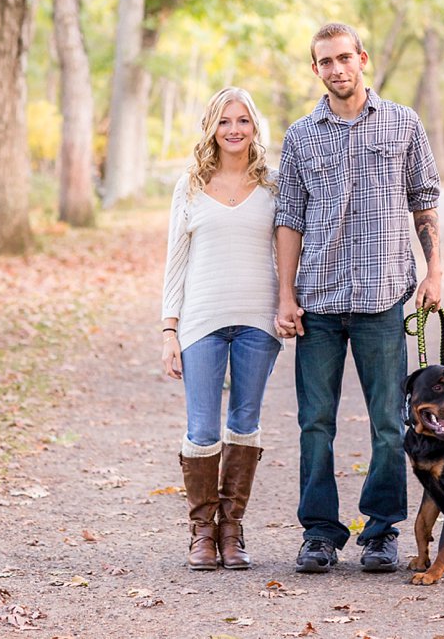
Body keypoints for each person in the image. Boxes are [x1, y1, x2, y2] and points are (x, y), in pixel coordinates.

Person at [274, 22, 442, 574]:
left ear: (362, 59)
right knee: (315, 422)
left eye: (344, 58)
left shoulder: (402, 124)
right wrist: (286, 295)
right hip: (318, 302)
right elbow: (290, 220)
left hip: (382, 299)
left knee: (390, 423)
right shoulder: (301, 135)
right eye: (325, 62)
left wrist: (434, 270)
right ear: (316, 69)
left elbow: (424, 199)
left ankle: (380, 531)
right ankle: (320, 533)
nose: (337, 69)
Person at [161, 87, 283, 571]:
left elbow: (287, 250)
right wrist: (169, 329)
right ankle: (202, 533)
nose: (234, 129)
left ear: (255, 128)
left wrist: (290, 303)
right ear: (212, 127)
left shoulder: (274, 183)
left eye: (244, 121)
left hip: (258, 321)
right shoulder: (189, 185)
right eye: (225, 121)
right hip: (201, 323)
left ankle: (232, 531)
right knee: (201, 428)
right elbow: (175, 261)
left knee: (245, 424)